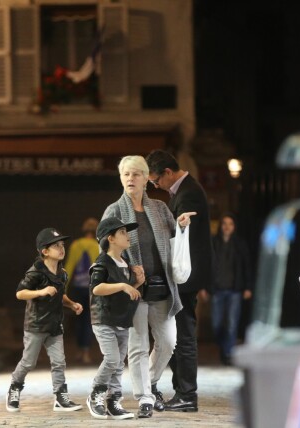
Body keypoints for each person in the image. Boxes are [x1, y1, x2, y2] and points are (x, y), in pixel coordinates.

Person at [101, 155, 185, 419]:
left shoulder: (160, 208)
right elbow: (104, 251)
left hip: (162, 287)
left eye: (136, 174)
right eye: (125, 174)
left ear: (146, 179)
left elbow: (175, 240)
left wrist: (181, 226)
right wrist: (127, 268)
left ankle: (149, 382)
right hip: (133, 288)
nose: (130, 179)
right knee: (137, 346)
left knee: (168, 342)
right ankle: (145, 397)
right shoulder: (114, 211)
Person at [146, 149, 213, 412]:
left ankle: (187, 394)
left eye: (155, 181)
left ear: (168, 173)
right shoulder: (184, 190)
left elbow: (183, 238)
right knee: (176, 336)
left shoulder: (189, 193)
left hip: (185, 278)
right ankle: (182, 391)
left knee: (183, 336)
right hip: (185, 277)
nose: (155, 186)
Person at [6, 228, 84, 413]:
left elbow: (60, 295)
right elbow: (20, 293)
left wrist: (72, 304)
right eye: (56, 246)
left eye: (62, 245)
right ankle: (14, 388)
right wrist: (41, 291)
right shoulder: (36, 272)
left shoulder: (62, 273)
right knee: (28, 362)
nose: (61, 248)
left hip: (55, 325)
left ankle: (60, 397)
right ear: (44, 251)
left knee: (59, 362)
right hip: (36, 325)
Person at [86, 217, 143, 420]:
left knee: (119, 363)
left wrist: (135, 284)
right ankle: (96, 394)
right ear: (110, 238)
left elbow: (125, 292)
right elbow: (97, 288)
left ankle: (113, 401)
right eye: (122, 233)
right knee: (112, 359)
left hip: (122, 319)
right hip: (104, 319)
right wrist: (123, 285)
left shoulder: (125, 262)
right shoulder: (102, 262)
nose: (128, 236)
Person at [210, 213, 253, 366]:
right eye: (225, 223)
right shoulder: (213, 242)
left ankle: (228, 352)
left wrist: (248, 287)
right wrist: (205, 286)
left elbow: (247, 266)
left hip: (235, 290)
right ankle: (224, 347)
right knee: (216, 324)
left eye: (231, 224)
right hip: (217, 289)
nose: (227, 227)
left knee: (232, 324)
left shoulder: (240, 244)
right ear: (220, 226)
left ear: (234, 227)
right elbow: (207, 266)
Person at [64, 217, 100, 364]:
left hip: (78, 288)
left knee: (79, 318)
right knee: (89, 321)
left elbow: (69, 267)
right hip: (93, 289)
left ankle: (80, 350)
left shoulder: (75, 245)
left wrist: (63, 289)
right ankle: (86, 352)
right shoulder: (98, 245)